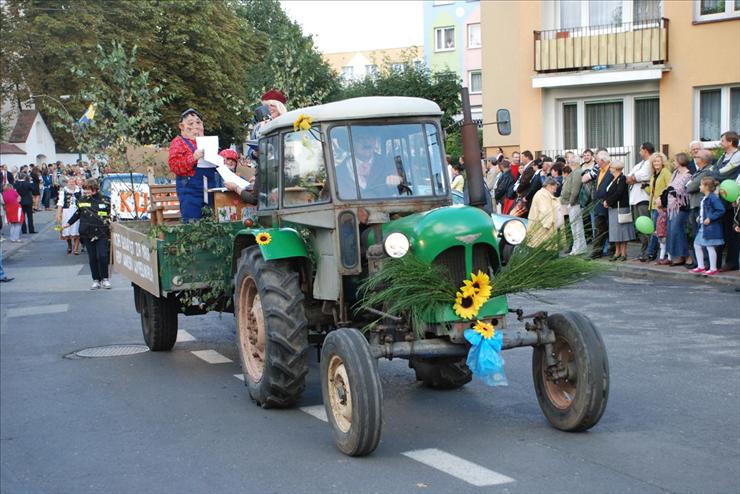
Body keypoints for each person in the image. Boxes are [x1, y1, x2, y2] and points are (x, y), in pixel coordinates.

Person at [168, 108, 218, 221]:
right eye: (191, 123)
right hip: (190, 191)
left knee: (213, 222)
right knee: (193, 224)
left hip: (211, 189)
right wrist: (193, 157)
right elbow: (175, 166)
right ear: (182, 127)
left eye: (198, 122)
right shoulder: (178, 142)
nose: (196, 126)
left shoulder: (209, 142)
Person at [63, 179, 112, 290]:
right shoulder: (81, 200)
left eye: (88, 190)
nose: (86, 192)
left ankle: (105, 279)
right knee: (93, 257)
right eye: (84, 190)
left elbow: (111, 214)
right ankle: (96, 280)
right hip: (87, 233)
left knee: (103, 256)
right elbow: (77, 214)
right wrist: (68, 223)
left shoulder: (105, 200)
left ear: (95, 189)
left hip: (102, 232)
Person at [685, 149, 716, 269]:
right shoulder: (700, 171)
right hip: (694, 205)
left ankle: (705, 263)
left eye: (697, 156)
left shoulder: (707, 171)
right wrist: (690, 184)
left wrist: (690, 184)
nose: (695, 158)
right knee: (695, 235)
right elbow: (688, 184)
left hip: (699, 206)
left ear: (702, 159)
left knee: (701, 235)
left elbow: (691, 186)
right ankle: (699, 263)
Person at [715, 131, 740, 271]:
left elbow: (724, 172)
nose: (720, 143)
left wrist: (714, 176)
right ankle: (717, 262)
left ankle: (732, 262)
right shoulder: (723, 156)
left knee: (731, 233)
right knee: (721, 231)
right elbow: (714, 170)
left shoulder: (737, 156)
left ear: (730, 142)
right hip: (720, 197)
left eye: (723, 140)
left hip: (731, 199)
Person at [691, 177, 725, 275]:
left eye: (701, 185)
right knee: (697, 244)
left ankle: (713, 268)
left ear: (706, 187)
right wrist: (700, 217)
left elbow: (720, 210)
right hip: (703, 227)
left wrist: (710, 218)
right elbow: (703, 211)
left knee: (709, 246)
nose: (699, 186)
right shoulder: (704, 198)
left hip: (710, 227)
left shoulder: (713, 198)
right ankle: (701, 266)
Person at [626, 143, 654, 261]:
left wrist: (634, 178)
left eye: (640, 150)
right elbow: (628, 178)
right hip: (635, 198)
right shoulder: (639, 164)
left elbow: (642, 176)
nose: (639, 152)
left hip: (643, 199)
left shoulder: (650, 163)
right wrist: (634, 178)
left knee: (646, 227)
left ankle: (649, 252)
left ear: (645, 150)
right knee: (639, 227)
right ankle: (644, 251)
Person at [603, 160, 635, 261]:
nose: (610, 169)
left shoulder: (622, 178)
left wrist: (608, 201)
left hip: (620, 208)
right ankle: (617, 252)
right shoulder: (613, 179)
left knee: (623, 231)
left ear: (616, 168)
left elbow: (619, 193)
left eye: (611, 167)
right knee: (615, 231)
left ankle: (624, 253)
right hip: (613, 208)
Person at [584, 150, 613, 259]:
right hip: (597, 203)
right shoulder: (599, 171)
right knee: (599, 229)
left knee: (609, 228)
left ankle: (611, 249)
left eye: (597, 160)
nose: (596, 162)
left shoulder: (610, 171)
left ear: (602, 160)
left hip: (606, 204)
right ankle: (597, 251)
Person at [664, 153, 692, 266]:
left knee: (677, 230)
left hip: (681, 207)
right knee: (671, 231)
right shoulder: (675, 173)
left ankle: (687, 255)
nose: (674, 163)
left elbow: (682, 190)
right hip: (672, 207)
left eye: (675, 160)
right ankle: (679, 256)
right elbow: (669, 187)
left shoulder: (688, 175)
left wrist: (672, 190)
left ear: (680, 161)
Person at [645, 152, 672, 261]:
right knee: (656, 230)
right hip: (653, 205)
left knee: (658, 230)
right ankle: (657, 253)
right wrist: (646, 188)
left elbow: (669, 187)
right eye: (654, 161)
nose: (656, 163)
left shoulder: (665, 172)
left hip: (661, 206)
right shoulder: (654, 174)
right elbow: (653, 190)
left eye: (658, 161)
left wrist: (662, 199)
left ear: (662, 162)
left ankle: (651, 253)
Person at [560, 155, 586, 255]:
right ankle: (579, 247)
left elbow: (575, 190)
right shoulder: (576, 172)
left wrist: (570, 202)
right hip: (572, 203)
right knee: (575, 227)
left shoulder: (577, 172)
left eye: (569, 161)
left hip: (574, 204)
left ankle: (578, 248)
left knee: (576, 227)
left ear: (573, 162)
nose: (568, 163)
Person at [527, 177, 563, 248]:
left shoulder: (544, 194)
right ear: (549, 186)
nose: (555, 191)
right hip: (543, 229)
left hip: (543, 229)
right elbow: (545, 212)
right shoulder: (542, 195)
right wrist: (548, 224)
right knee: (542, 249)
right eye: (554, 188)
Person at [56, 176, 81, 255]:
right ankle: (70, 245)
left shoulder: (80, 190)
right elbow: (60, 203)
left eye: (73, 181)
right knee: (66, 230)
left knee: (77, 230)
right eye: (70, 181)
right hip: (67, 212)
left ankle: (76, 248)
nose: (71, 183)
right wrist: (58, 213)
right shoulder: (63, 191)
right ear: (67, 183)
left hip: (77, 212)